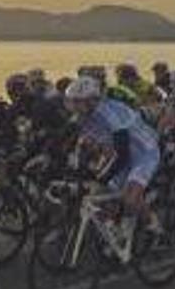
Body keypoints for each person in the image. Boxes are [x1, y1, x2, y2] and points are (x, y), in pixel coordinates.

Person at [64, 76, 162, 233]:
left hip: (144, 152)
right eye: (71, 101)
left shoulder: (109, 114)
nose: (73, 106)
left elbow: (121, 154)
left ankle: (155, 227)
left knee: (130, 198)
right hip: (121, 154)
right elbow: (74, 144)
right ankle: (118, 230)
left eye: (77, 102)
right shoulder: (82, 116)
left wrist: (102, 178)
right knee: (98, 199)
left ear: (91, 101)